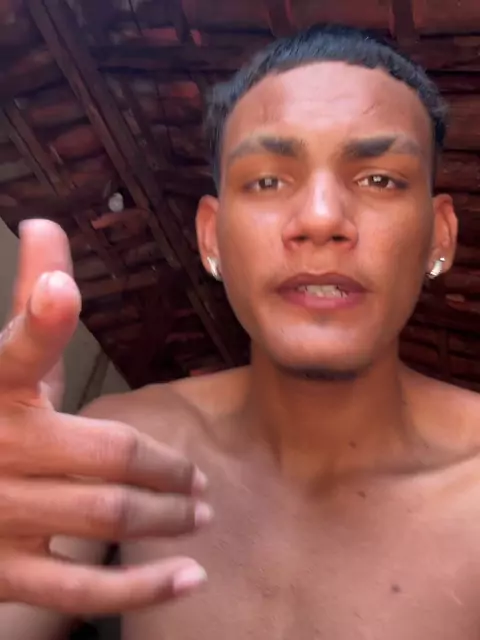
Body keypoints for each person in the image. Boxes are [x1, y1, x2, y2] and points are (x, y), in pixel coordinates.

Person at [0, 23, 478, 640]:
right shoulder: (125, 442)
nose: (321, 219)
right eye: (267, 181)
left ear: (440, 235)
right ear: (211, 238)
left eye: (379, 179)